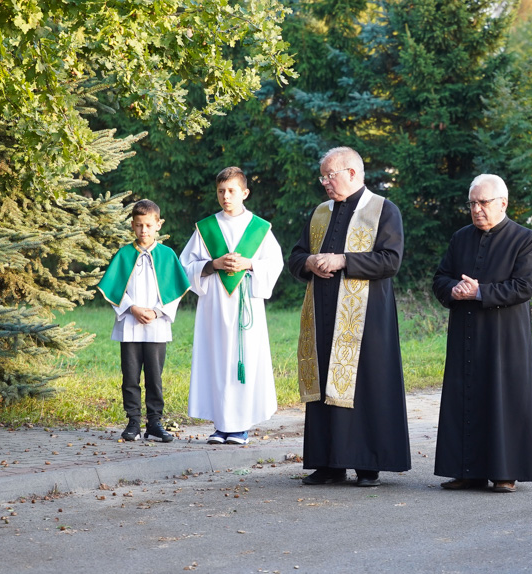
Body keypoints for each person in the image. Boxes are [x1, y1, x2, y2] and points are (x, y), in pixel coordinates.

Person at [288, 146, 411, 487]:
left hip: (366, 318)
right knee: (324, 387)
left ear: (353, 173)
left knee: (365, 387)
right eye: (323, 176)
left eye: (331, 175)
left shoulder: (383, 210)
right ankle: (328, 463)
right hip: (322, 314)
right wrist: (310, 262)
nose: (325, 182)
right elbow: (296, 256)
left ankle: (367, 464)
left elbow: (390, 261)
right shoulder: (320, 213)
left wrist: (344, 260)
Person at [432, 174, 532, 493]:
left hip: (504, 337)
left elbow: (524, 286)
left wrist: (480, 292)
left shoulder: (524, 238)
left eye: (484, 203)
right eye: (473, 203)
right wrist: (456, 289)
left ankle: (505, 472)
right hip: (465, 332)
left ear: (503, 203)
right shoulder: (460, 238)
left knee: (501, 399)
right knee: (464, 397)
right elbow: (440, 279)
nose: (477, 209)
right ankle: (467, 471)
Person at [180, 167, 284, 446]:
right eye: (221, 191)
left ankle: (239, 426)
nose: (226, 196)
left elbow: (274, 264)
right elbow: (184, 266)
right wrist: (212, 264)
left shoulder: (259, 228)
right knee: (215, 359)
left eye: (232, 191)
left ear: (245, 193)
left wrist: (249, 264)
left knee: (244, 360)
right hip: (214, 304)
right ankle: (220, 425)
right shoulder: (205, 228)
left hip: (245, 304)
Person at [97, 199, 190, 443]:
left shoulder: (167, 255)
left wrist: (157, 312)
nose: (144, 230)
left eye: (149, 225)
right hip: (129, 325)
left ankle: (155, 423)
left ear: (159, 224)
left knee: (154, 377)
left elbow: (176, 289)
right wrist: (133, 308)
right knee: (130, 377)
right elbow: (114, 287)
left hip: (157, 327)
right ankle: (133, 423)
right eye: (139, 225)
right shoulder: (125, 254)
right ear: (132, 225)